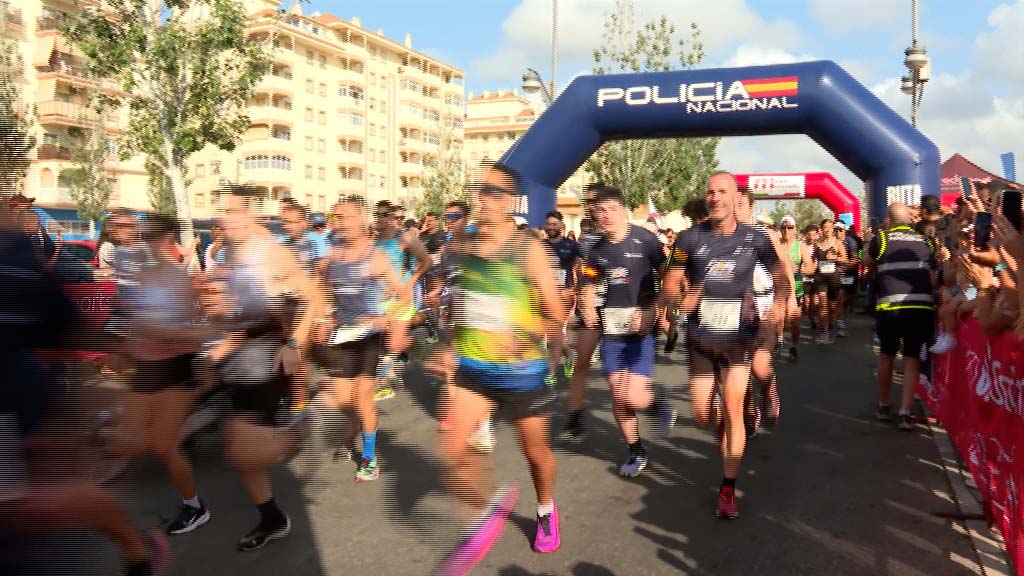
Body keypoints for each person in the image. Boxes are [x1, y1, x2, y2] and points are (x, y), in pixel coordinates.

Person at [0, 206, 170, 576]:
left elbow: (62, 317)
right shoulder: (105, 250)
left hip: (12, 395)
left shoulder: (12, 247)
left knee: (30, 504)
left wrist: (128, 348)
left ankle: (136, 546)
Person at [430, 163, 563, 575]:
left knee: (535, 454)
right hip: (474, 366)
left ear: (510, 201)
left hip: (521, 369)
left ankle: (545, 509)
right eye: (480, 190)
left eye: (494, 192)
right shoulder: (465, 246)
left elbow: (556, 315)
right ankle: (488, 508)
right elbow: (462, 306)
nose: (485, 199)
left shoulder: (528, 248)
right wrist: (446, 346)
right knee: (450, 448)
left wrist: (525, 327)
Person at [198, 190, 325, 550]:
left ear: (253, 217)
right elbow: (235, 310)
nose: (226, 218)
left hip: (266, 358)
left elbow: (312, 296)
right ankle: (272, 518)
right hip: (238, 356)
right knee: (239, 451)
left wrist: (294, 345)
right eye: (223, 211)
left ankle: (303, 432)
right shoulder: (227, 254)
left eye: (235, 211)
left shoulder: (273, 252)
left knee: (240, 446)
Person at [659, 171, 788, 518]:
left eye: (722, 192)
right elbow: (670, 282)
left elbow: (780, 278)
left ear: (735, 199)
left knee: (734, 410)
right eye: (709, 191)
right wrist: (675, 301)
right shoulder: (687, 239)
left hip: (739, 337)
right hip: (701, 338)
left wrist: (778, 304)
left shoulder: (755, 239)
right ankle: (726, 423)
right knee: (701, 415)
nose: (714, 197)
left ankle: (728, 488)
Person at [105, 214, 213, 535]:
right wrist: (124, 347)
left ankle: (195, 507)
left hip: (175, 368)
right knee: (128, 436)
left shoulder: (178, 278)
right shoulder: (144, 276)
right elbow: (134, 319)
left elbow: (193, 330)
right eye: (144, 236)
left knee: (163, 446)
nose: (147, 243)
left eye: (153, 237)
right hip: (146, 366)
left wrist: (159, 332)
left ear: (168, 239)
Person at [580, 186, 676, 476]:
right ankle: (636, 451)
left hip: (641, 329)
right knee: (616, 394)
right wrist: (585, 303)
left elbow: (670, 280)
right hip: (611, 331)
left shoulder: (645, 240)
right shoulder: (596, 250)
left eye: (610, 209)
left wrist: (655, 311)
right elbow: (588, 281)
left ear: (623, 210)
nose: (604, 216)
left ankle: (658, 402)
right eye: (599, 211)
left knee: (631, 395)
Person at [313, 195, 410, 482]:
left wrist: (387, 319)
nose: (339, 223)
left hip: (369, 337)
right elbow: (321, 293)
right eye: (336, 218)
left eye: (345, 217)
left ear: (360, 220)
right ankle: (357, 425)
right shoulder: (330, 257)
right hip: (342, 335)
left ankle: (369, 457)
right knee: (344, 401)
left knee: (362, 398)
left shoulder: (375, 256)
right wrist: (321, 318)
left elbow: (402, 294)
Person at [864, 203, 937, 431]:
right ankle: (905, 413)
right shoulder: (927, 241)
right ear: (910, 220)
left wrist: (872, 239)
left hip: (890, 309)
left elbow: (866, 262)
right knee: (912, 358)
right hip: (921, 309)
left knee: (886, 356)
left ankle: (884, 405)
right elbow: (934, 278)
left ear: (889, 219)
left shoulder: (882, 239)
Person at [560, 187, 605, 440]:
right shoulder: (587, 239)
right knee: (581, 361)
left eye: (594, 201)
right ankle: (575, 415)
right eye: (587, 202)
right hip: (593, 305)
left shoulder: (626, 234)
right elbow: (586, 270)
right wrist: (579, 293)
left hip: (621, 307)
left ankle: (653, 404)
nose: (589, 206)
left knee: (622, 379)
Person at [543, 210, 580, 380]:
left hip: (564, 294)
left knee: (555, 331)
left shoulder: (571, 246)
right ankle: (569, 356)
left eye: (554, 224)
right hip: (544, 294)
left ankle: (550, 373)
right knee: (552, 333)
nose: (551, 227)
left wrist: (576, 290)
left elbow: (585, 268)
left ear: (561, 226)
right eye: (548, 224)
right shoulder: (540, 245)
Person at [777, 216, 815, 361]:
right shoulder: (776, 244)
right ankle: (779, 341)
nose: (786, 230)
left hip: (796, 289)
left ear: (795, 229)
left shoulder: (800, 246)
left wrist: (797, 268)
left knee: (794, 320)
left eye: (790, 227)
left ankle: (794, 346)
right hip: (778, 288)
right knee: (780, 319)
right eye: (784, 227)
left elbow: (811, 268)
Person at [812, 219, 848, 343]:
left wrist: (835, 258)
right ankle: (824, 332)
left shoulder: (837, 242)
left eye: (829, 227)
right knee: (822, 304)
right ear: (821, 229)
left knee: (832, 308)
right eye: (824, 227)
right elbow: (813, 259)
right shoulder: (817, 243)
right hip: (820, 277)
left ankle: (831, 327)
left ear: (833, 229)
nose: (827, 229)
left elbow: (845, 259)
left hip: (833, 278)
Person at [834, 221, 861, 336]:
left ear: (844, 230)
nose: (837, 232)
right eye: (835, 230)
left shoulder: (851, 241)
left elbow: (855, 260)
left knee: (849, 297)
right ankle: (840, 324)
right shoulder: (831, 241)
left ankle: (850, 307)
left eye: (840, 230)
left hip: (849, 273)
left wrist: (845, 267)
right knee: (840, 298)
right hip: (835, 274)